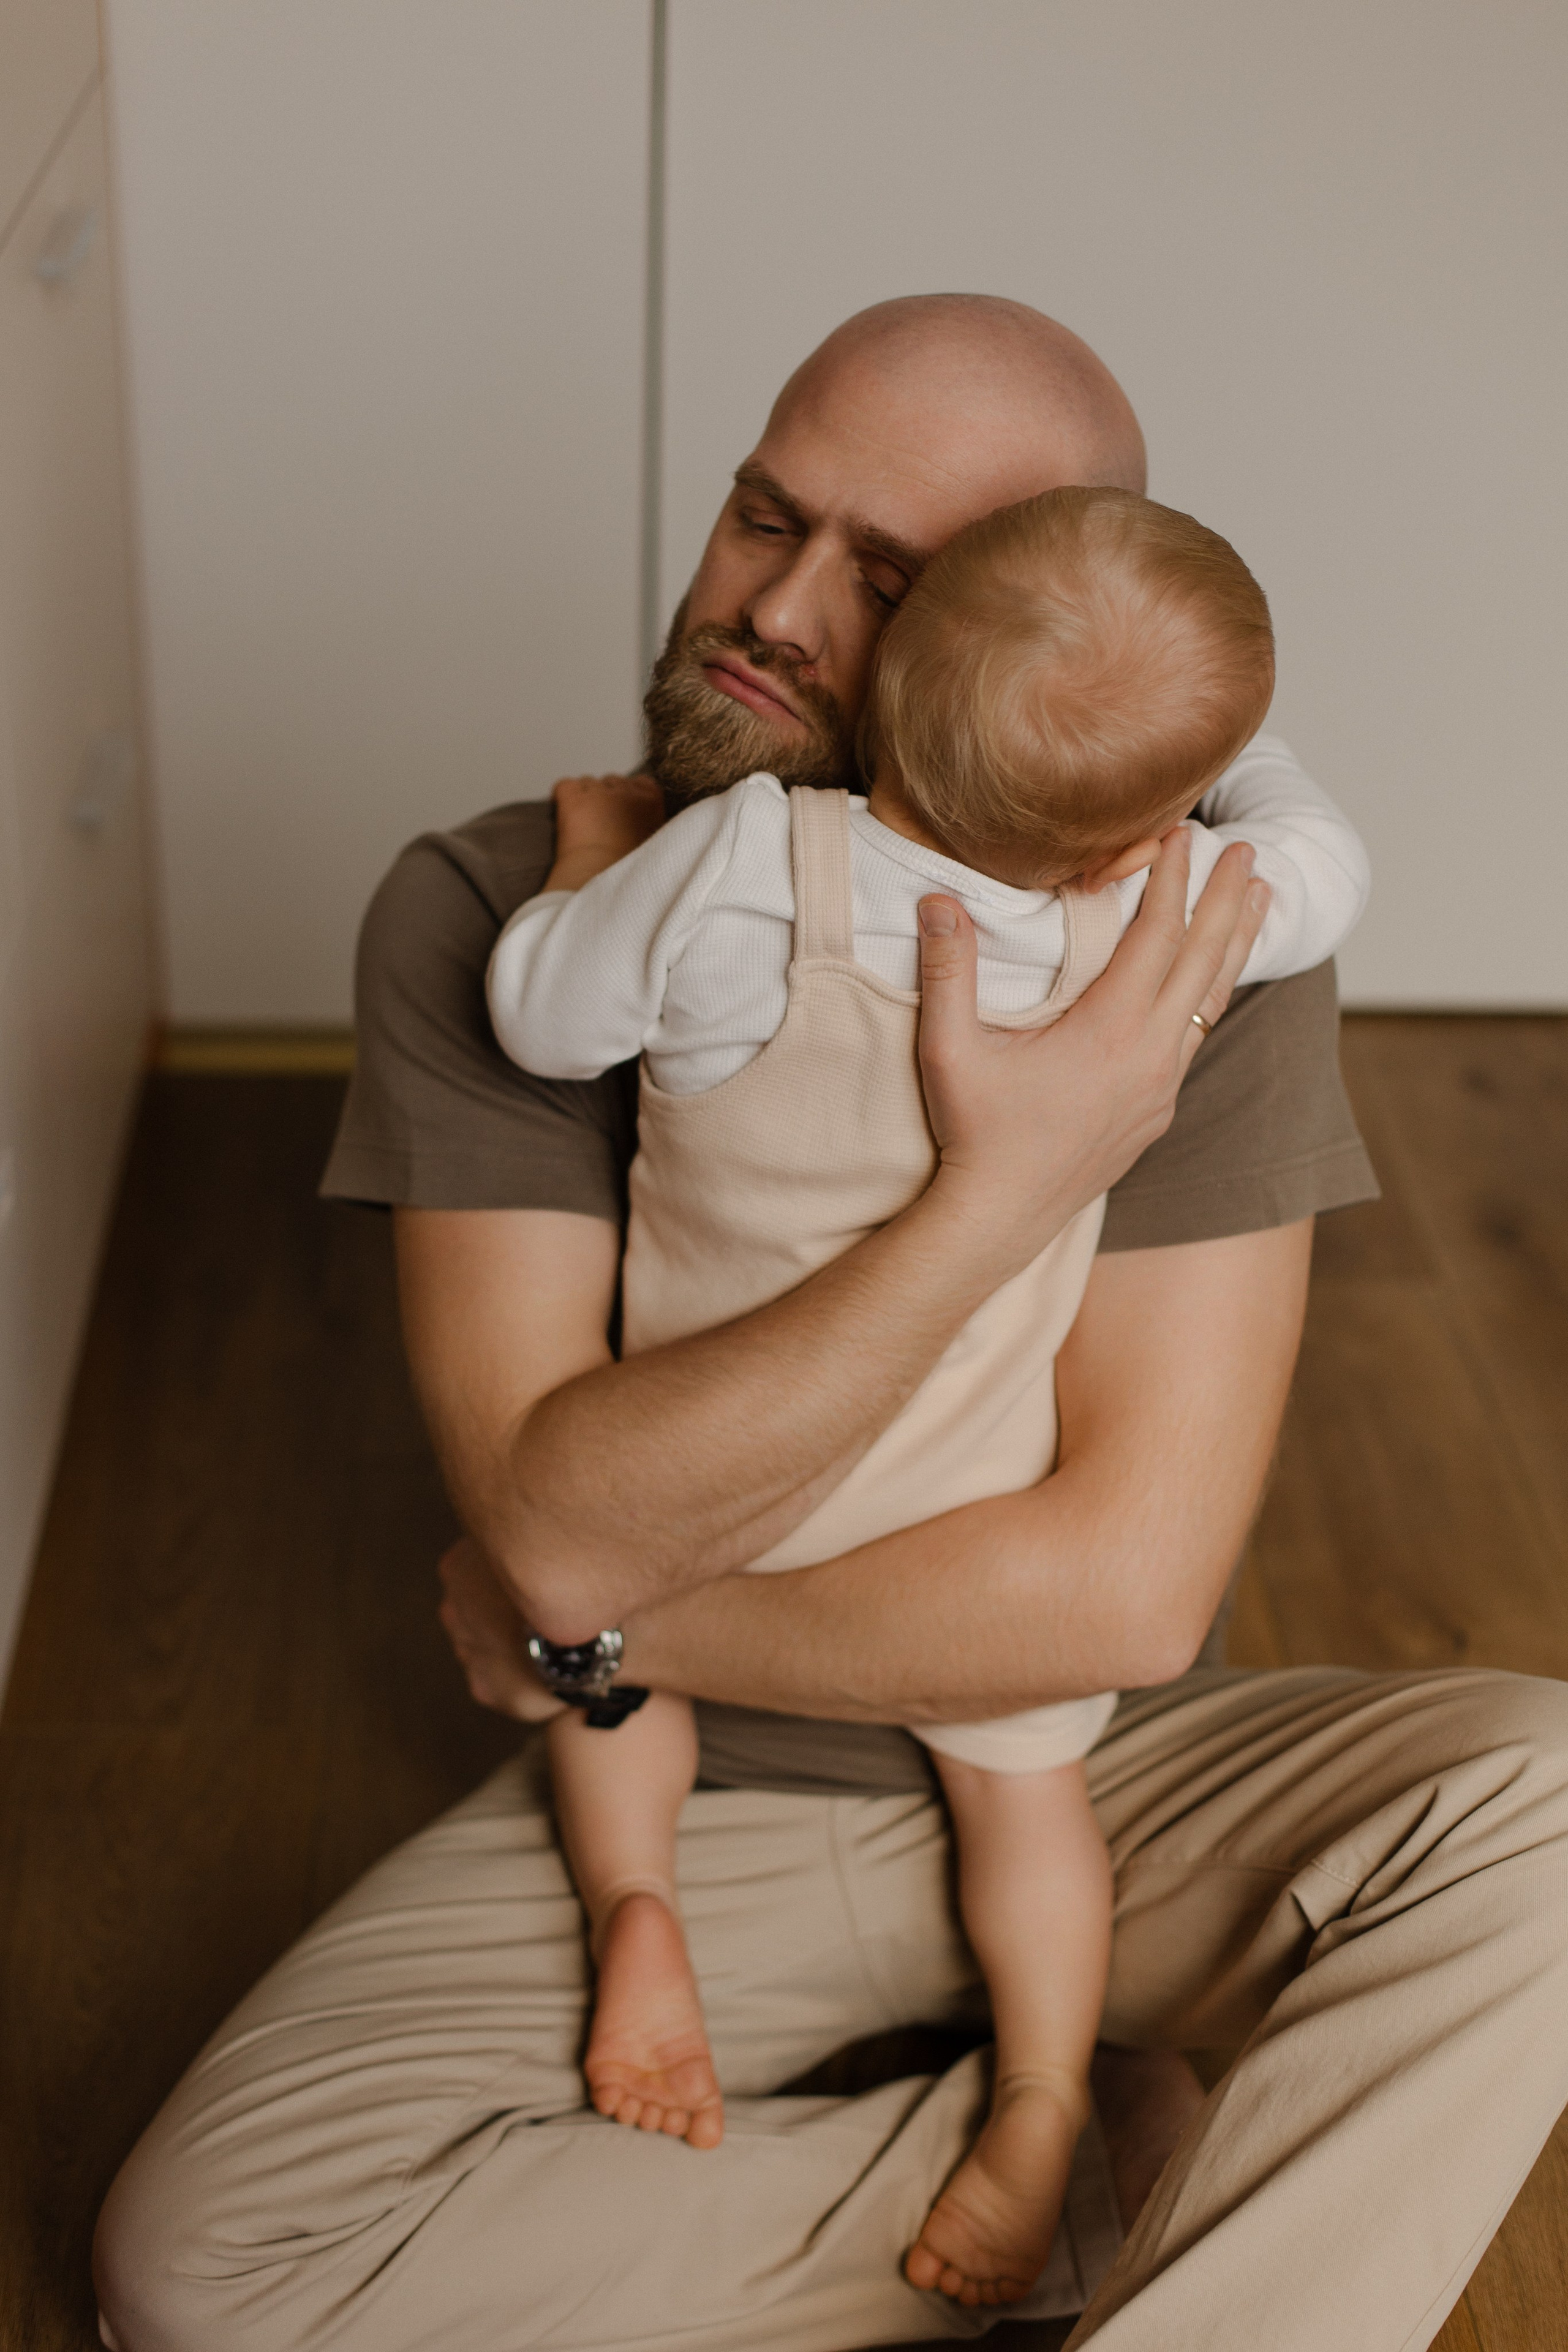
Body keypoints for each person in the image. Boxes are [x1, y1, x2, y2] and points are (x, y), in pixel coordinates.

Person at [94, 296, 1568, 2352]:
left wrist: (596, 1639)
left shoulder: (1183, 940)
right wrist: (1002, 1189)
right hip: (691, 1812)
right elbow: (565, 1523)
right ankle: (1104, 2187)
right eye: (762, 515)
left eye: (887, 581)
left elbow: (1122, 1603)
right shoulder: (508, 912)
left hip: (1086, 1780)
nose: (771, 612)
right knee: (205, 2269)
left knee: (1553, 1808)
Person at [483, 485, 1369, 2306]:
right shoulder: (1157, 933)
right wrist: (1217, 759)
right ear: (1140, 827)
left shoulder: (738, 868)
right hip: (976, 1507)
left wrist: (583, 870)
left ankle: (636, 1909)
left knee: (606, 1677)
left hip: (709, 1464)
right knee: (1027, 1800)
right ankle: (1044, 2095)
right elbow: (1321, 854)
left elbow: (543, 1017)